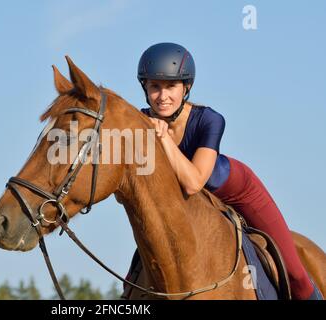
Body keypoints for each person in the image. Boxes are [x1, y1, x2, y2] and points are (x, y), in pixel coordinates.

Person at [127, 42, 322, 300]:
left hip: (237, 191)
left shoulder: (209, 119)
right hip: (185, 207)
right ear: (145, 88)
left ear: (186, 87)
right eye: (155, 86)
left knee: (296, 274)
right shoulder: (141, 124)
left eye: (171, 86)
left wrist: (162, 140)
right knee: (132, 282)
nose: (163, 96)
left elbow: (194, 183)